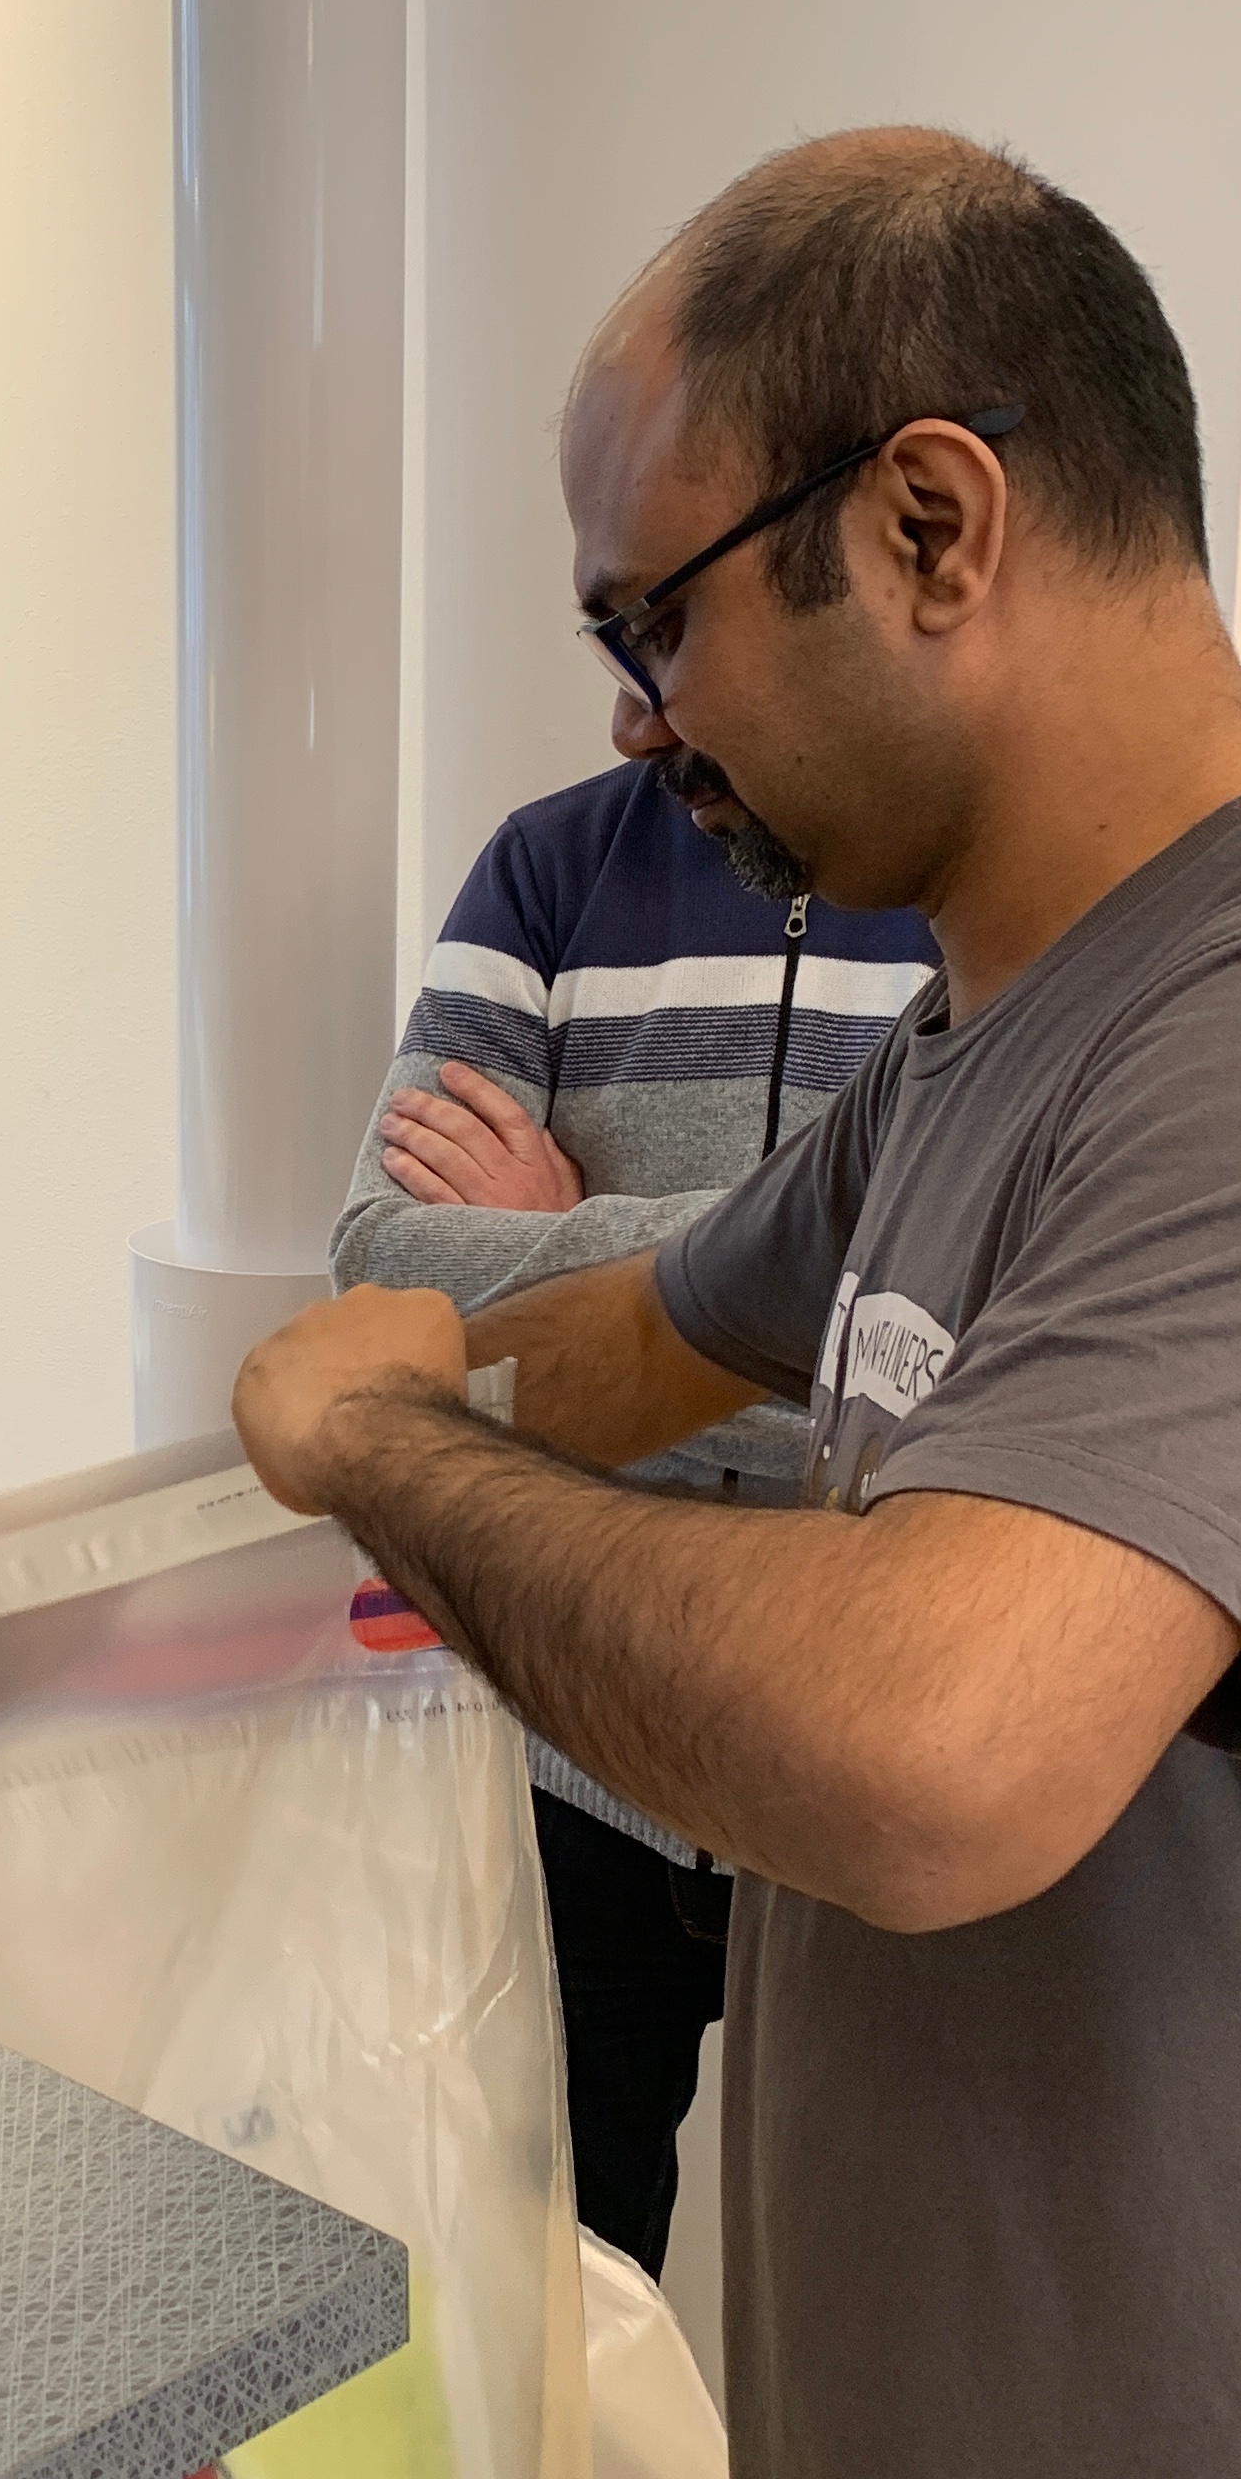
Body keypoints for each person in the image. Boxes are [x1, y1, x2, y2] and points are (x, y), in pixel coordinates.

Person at [234, 130, 1241, 2479]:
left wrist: (387, 1462)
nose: (636, 727)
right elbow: (629, 1344)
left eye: (651, 624)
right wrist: (399, 1363)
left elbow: (930, 1757)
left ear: (931, 524)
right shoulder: (968, 1061)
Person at [334, 706, 930, 2275]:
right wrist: (787, 1296)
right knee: (548, 2309)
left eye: (661, 621)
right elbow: (383, 1279)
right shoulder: (548, 868)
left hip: (860, 1754)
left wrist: (582, 1252)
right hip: (573, 1757)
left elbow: (983, 1345)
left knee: (866, 2321)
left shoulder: (974, 886)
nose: (635, 705)